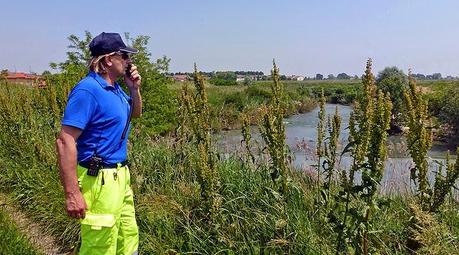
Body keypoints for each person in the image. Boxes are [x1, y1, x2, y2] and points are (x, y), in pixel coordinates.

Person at [56, 32, 142, 255]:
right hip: (98, 180)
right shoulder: (88, 91)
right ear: (107, 60)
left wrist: (134, 89)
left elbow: (135, 114)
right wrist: (72, 193)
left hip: (120, 177)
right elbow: (65, 141)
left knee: (127, 238)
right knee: (100, 247)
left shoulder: (116, 89)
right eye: (123, 56)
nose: (128, 61)